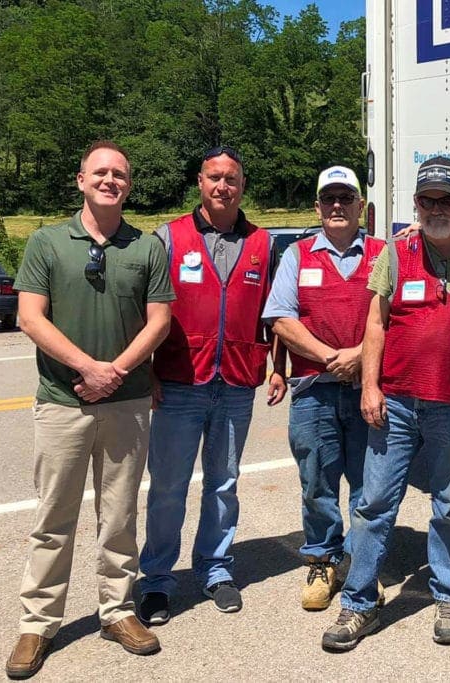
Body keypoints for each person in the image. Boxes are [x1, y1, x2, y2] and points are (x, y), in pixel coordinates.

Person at [321, 156, 450, 651]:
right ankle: (358, 604)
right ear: (416, 204)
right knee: (374, 505)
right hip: (396, 401)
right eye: (428, 200)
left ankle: (449, 595)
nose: (437, 208)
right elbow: (375, 323)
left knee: (449, 506)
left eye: (447, 199)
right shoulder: (398, 251)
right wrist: (370, 386)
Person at [6, 140, 174, 679]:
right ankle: (38, 623)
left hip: (126, 405)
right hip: (62, 403)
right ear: (80, 180)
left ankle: (118, 611)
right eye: (99, 172)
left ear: (129, 184)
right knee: (53, 518)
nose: (110, 180)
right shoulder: (47, 243)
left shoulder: (147, 247)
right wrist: (88, 369)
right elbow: (30, 318)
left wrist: (114, 373)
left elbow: (159, 322)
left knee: (120, 516)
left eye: (119, 174)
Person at [137, 145, 285, 624]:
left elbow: (278, 313)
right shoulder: (168, 238)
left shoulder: (264, 243)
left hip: (237, 383)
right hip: (180, 381)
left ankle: (216, 568)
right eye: (214, 177)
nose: (223, 186)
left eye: (232, 179)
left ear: (243, 186)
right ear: (199, 181)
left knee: (224, 485)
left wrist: (278, 364)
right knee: (168, 488)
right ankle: (158, 580)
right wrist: (145, 371)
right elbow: (140, 312)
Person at [262, 165, 385, 611]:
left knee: (370, 484)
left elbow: (393, 319)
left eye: (345, 198)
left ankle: (362, 563)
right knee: (317, 482)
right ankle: (323, 558)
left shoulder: (382, 254)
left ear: (360, 207)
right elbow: (280, 317)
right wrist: (331, 355)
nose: (337, 206)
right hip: (314, 389)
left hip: (366, 387)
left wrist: (357, 356)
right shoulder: (297, 255)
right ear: (317, 206)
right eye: (328, 198)